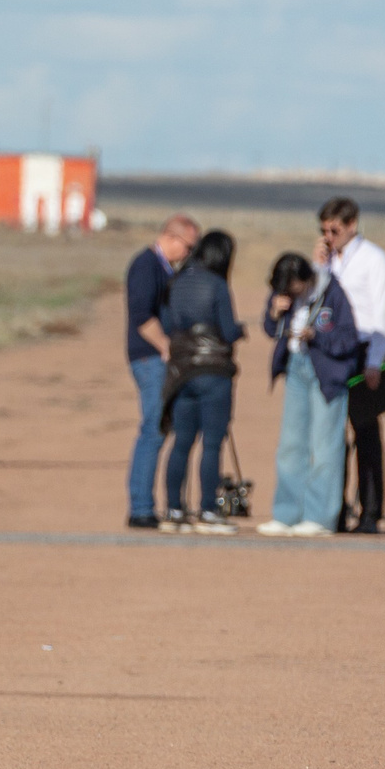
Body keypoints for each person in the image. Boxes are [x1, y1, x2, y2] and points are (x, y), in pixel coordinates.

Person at [259, 251, 363, 538]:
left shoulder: (332, 292)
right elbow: (270, 329)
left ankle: (319, 517)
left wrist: (316, 337)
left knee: (325, 445)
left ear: (305, 280)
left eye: (291, 289)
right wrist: (274, 313)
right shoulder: (284, 294)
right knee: (291, 444)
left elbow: (348, 339)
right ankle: (286, 514)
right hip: (296, 369)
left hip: (326, 375)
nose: (287, 294)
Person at [318, 197, 385, 533]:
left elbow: (383, 314)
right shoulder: (328, 261)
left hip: (365, 350)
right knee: (332, 436)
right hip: (333, 351)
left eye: (334, 230)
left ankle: (370, 511)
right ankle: (333, 509)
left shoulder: (374, 260)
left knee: (365, 434)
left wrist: (375, 361)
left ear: (351, 225)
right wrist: (319, 264)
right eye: (323, 230)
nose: (328, 236)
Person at [157, 230, 243, 534]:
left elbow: (167, 325)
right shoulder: (218, 285)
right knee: (211, 444)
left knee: (181, 443)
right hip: (214, 372)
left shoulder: (176, 282)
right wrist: (240, 331)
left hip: (182, 374)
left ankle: (173, 509)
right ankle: (208, 511)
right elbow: (228, 331)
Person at [122, 215, 200, 529]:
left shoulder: (166, 269)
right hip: (149, 359)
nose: (189, 254)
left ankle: (148, 504)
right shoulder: (145, 265)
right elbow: (141, 316)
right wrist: (166, 347)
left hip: (157, 359)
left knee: (160, 429)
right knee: (152, 430)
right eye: (188, 247)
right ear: (171, 238)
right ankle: (140, 507)